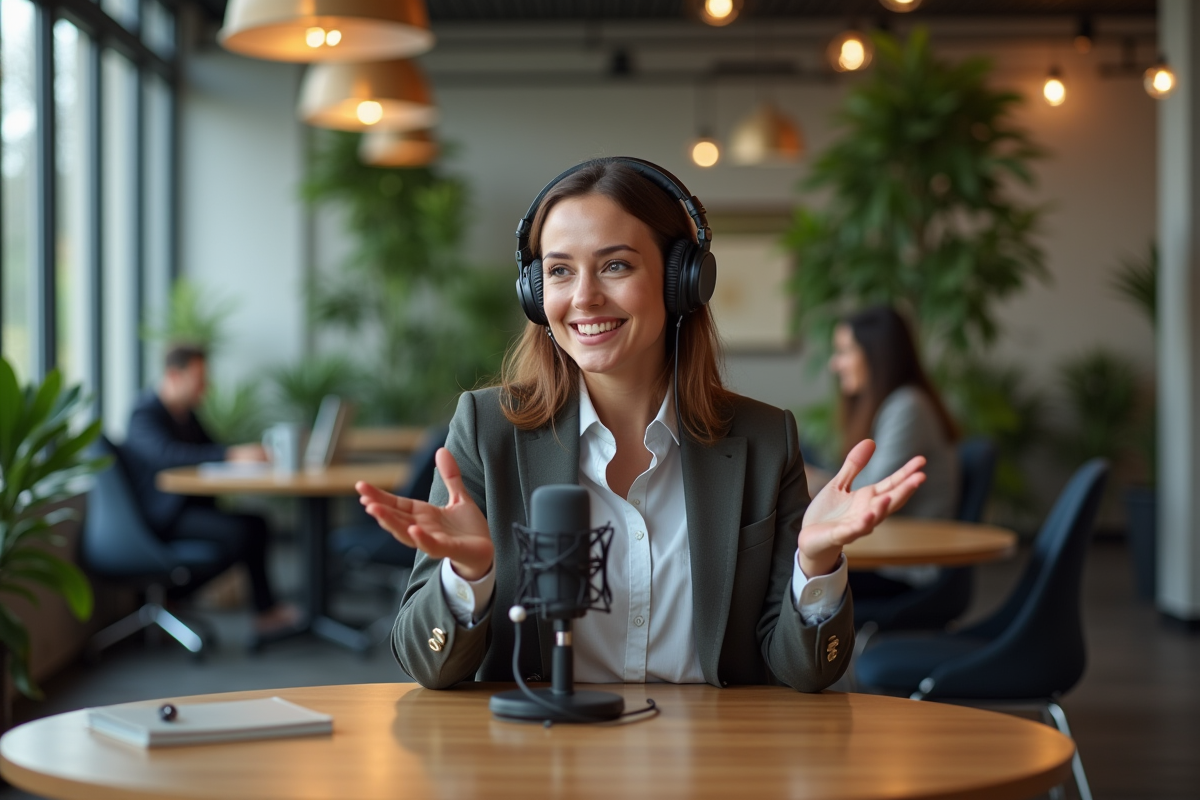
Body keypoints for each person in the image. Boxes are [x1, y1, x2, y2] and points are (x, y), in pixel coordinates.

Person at [356, 158, 926, 692]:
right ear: (535, 293)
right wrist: (468, 574)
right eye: (559, 271)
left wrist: (815, 564)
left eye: (616, 265)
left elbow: (805, 673)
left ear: (683, 282)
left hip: (711, 765)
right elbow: (426, 664)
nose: (584, 297)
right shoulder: (487, 429)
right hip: (537, 763)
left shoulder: (763, 438)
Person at [123, 343, 301, 635]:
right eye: (199, 380)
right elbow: (168, 455)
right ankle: (257, 610)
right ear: (174, 375)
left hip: (189, 509)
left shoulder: (186, 414)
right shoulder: (144, 413)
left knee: (254, 525)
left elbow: (212, 448)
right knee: (247, 531)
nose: (205, 388)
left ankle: (258, 609)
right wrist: (232, 455)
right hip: (162, 518)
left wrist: (242, 455)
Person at [826, 305, 961, 596]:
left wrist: (812, 484)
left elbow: (867, 496)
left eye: (845, 351)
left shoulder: (908, 407)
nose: (834, 365)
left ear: (877, 355)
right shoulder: (892, 407)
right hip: (884, 555)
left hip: (905, 572)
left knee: (791, 578)